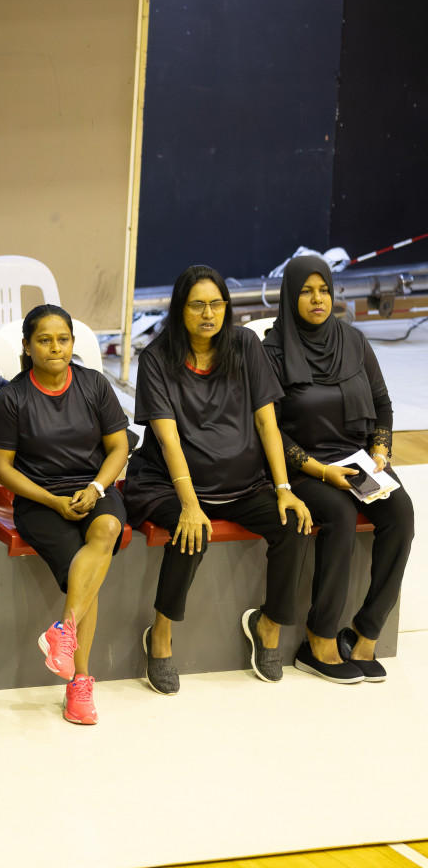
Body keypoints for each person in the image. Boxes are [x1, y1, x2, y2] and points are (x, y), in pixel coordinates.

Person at [123, 265, 312, 693]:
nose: (209, 313)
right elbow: (168, 439)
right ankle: (161, 635)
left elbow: (267, 423)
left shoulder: (245, 345)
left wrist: (284, 489)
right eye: (197, 305)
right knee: (193, 533)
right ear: (180, 309)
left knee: (293, 524)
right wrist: (190, 504)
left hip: (242, 484)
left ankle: (268, 625)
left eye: (217, 304)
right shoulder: (156, 358)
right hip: (169, 482)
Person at [263, 255, 412, 682]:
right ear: (291, 295)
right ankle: (319, 637)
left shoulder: (353, 340)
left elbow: (381, 406)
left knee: (401, 514)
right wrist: (318, 470)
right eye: (306, 291)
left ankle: (365, 633)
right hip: (305, 466)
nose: (317, 299)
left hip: (358, 460)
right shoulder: (271, 352)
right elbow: (268, 429)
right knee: (340, 513)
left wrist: (380, 452)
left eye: (324, 290)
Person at [0, 304, 131, 725]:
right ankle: (80, 682)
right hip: (39, 501)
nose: (55, 348)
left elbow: (118, 447)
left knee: (106, 528)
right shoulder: (13, 397)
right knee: (85, 573)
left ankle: (63, 634)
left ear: (72, 343)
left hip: (94, 488)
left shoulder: (93, 385)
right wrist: (52, 501)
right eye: (44, 340)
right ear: (28, 347)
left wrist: (96, 488)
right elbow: (0, 468)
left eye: (63, 339)